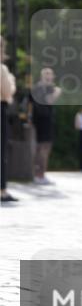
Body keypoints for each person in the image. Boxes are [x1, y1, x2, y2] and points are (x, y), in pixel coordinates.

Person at [30, 67, 61, 185]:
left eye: (50, 74)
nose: (48, 76)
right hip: (42, 121)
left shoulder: (43, 88)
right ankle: (40, 175)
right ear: (42, 76)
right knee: (43, 148)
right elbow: (49, 101)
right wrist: (56, 92)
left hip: (45, 120)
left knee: (43, 148)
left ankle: (39, 174)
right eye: (46, 74)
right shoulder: (41, 88)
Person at [0, 37, 15, 202]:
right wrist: (12, 82)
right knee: (1, 151)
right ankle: (2, 190)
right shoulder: (2, 68)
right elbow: (7, 92)